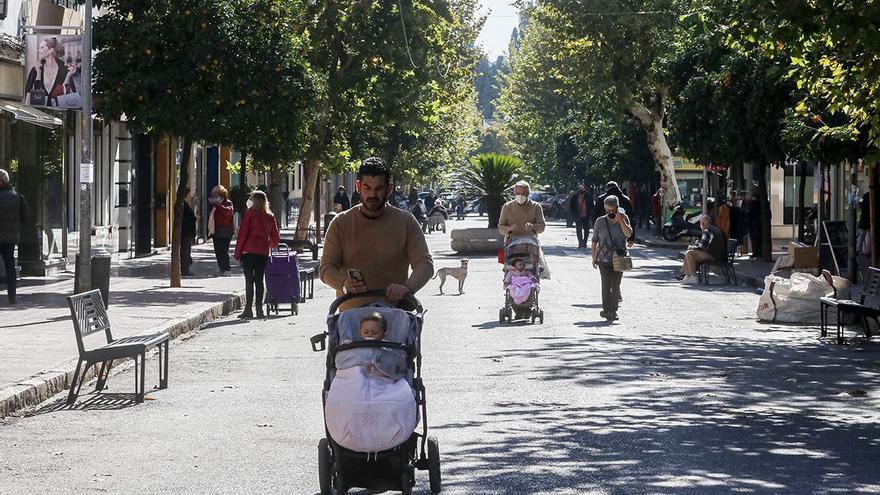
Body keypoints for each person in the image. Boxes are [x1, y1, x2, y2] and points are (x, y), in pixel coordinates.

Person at [320, 157, 434, 310]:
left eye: (379, 188)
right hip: (352, 320)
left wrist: (407, 287)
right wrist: (344, 284)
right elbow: (326, 268)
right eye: (367, 188)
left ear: (389, 189)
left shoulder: (406, 222)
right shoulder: (340, 223)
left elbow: (424, 264)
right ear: (358, 187)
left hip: (395, 315)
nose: (372, 195)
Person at [233, 190, 280, 319]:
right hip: (262, 252)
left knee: (249, 280)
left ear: (254, 200)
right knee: (259, 280)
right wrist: (267, 244)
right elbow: (275, 238)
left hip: (248, 251)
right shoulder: (270, 217)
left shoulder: (250, 214)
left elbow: (243, 234)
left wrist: (237, 253)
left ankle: (248, 309)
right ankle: (259, 309)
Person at [591, 195, 633, 321]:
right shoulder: (600, 221)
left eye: (613, 211)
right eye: (608, 211)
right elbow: (594, 241)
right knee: (605, 284)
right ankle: (606, 309)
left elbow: (628, 234)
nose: (610, 213)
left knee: (616, 285)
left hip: (619, 257)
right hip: (603, 258)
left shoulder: (624, 218)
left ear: (617, 208)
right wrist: (593, 257)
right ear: (605, 209)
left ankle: (613, 311)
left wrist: (620, 220)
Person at [0, 169, 29, 305]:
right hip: (10, 238)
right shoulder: (17, 196)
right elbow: (26, 217)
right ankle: (12, 297)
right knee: (10, 266)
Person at [498, 180, 546, 259]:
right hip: (512, 245)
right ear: (514, 193)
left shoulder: (536, 206)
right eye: (518, 193)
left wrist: (533, 226)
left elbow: (542, 226)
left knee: (535, 268)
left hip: (531, 246)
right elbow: (501, 227)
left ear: (528, 194)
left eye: (523, 194)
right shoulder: (507, 207)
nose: (520, 196)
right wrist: (509, 228)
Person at [24, 37, 77, 107]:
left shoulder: (65, 70)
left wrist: (68, 77)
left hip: (58, 115)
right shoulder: (36, 69)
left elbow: (69, 98)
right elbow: (29, 96)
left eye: (42, 48)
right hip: (39, 114)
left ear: (51, 50)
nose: (38, 51)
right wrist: (38, 75)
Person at [678, 215, 727, 284]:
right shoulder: (715, 229)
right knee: (690, 254)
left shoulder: (707, 230)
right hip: (719, 255)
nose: (701, 226)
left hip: (713, 255)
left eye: (701, 224)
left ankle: (692, 276)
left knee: (690, 253)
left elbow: (702, 247)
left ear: (703, 224)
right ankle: (687, 276)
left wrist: (693, 247)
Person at [207, 185, 235, 276]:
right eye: (213, 195)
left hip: (225, 231)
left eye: (216, 195)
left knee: (223, 250)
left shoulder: (227, 203)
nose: (214, 197)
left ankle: (227, 269)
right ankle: (221, 268)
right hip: (217, 230)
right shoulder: (215, 205)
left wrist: (218, 205)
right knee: (218, 251)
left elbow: (227, 213)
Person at [181, 188, 197, 277]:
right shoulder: (182, 205)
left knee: (186, 251)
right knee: (185, 251)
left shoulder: (184, 204)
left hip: (187, 232)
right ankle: (185, 269)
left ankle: (185, 268)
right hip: (185, 232)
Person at [572, 184, 592, 248]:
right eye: (580, 189)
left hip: (587, 216)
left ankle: (585, 242)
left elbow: (592, 206)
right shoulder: (575, 197)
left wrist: (591, 214)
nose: (581, 190)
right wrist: (574, 215)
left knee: (586, 230)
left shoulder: (588, 196)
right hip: (578, 216)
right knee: (579, 230)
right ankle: (580, 243)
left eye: (582, 189)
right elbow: (571, 207)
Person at [747, 194, 764, 259]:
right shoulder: (762, 206)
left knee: (754, 240)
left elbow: (749, 216)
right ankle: (759, 253)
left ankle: (756, 253)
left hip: (754, 226)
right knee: (759, 240)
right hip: (759, 226)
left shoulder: (752, 207)